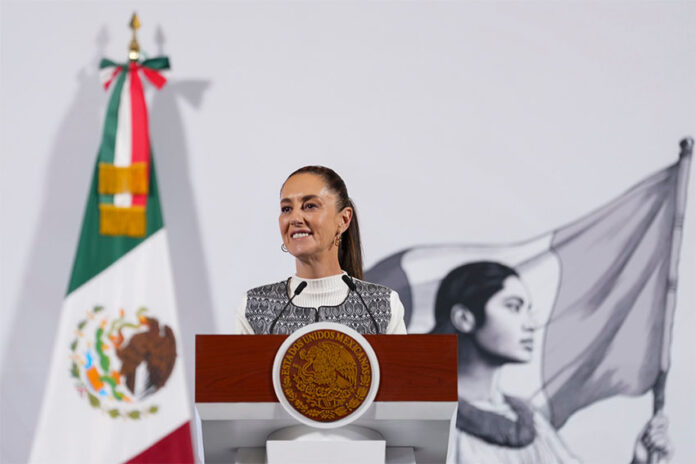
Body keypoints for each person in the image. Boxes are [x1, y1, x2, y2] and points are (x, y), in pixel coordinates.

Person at [434, 261, 671, 464]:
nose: (529, 323)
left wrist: (639, 461)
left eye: (528, 310)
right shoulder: (426, 416)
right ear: (464, 318)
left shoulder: (530, 422)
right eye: (513, 307)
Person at [235, 165, 407, 335]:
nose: (294, 218)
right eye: (286, 209)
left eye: (310, 206)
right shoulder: (255, 306)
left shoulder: (382, 306)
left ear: (344, 219)